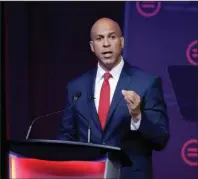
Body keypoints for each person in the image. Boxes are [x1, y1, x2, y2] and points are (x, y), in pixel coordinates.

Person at [57, 17, 169, 179]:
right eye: (99, 38)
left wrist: (137, 116)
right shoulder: (76, 87)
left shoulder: (146, 83)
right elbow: (66, 136)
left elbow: (161, 139)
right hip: (86, 174)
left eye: (112, 37)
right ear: (92, 46)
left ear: (122, 42)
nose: (106, 44)